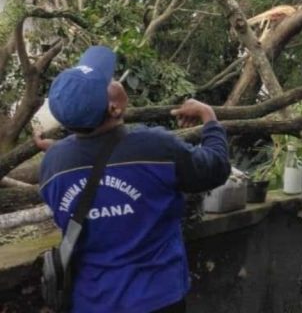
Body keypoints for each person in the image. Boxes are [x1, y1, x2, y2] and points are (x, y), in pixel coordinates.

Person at [37, 46, 231, 313]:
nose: (115, 80)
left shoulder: (53, 164)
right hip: (158, 297)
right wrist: (209, 118)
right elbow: (216, 168)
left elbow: (79, 172)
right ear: (115, 109)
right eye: (108, 82)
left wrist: (62, 150)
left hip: (91, 301)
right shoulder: (156, 148)